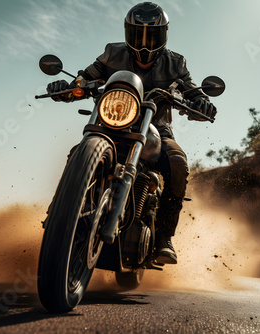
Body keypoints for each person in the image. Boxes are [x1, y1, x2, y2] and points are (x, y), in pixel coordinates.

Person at [47, 2, 217, 264]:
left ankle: (163, 238)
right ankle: (59, 214)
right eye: (139, 34)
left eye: (153, 35)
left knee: (177, 163)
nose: (145, 43)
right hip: (112, 121)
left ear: (164, 35)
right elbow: (86, 78)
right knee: (78, 152)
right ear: (128, 33)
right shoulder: (112, 53)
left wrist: (200, 102)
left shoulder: (176, 62)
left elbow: (191, 90)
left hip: (156, 128)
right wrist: (69, 87)